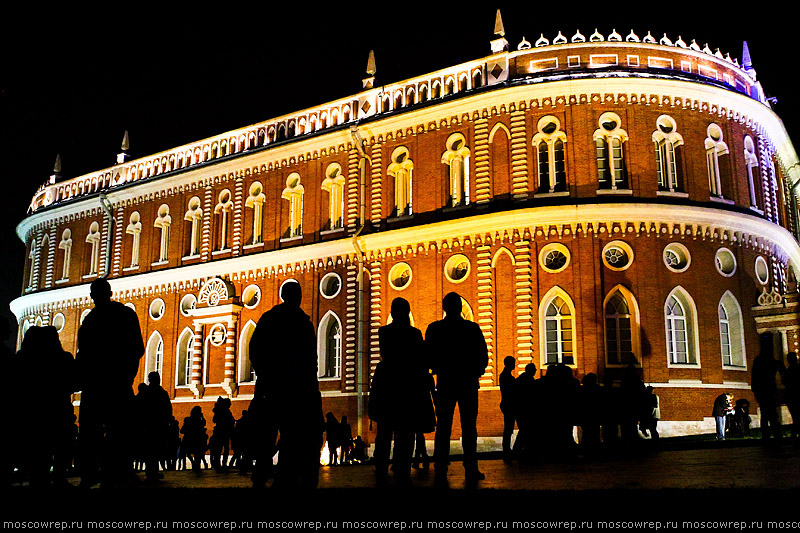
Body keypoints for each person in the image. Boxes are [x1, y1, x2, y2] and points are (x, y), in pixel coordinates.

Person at [248, 280, 323, 489]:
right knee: (289, 435)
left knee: (268, 435)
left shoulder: (269, 319)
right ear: (296, 297)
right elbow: (311, 361)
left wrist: (263, 374)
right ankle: (282, 477)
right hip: (294, 391)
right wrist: (311, 388)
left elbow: (254, 349)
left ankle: (262, 476)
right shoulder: (303, 323)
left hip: (271, 387)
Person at [75, 277, 145, 488]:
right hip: (115, 382)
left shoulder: (91, 320)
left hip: (98, 384)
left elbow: (83, 354)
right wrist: (127, 374)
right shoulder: (124, 315)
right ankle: (119, 471)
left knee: (91, 431)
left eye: (94, 293)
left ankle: (92, 474)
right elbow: (138, 348)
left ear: (96, 295)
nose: (93, 297)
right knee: (119, 429)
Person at [425, 292, 488, 487]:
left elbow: (428, 356)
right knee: (469, 427)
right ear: (460, 307)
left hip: (446, 382)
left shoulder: (435, 329)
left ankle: (441, 467)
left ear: (444, 307)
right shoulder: (472, 328)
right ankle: (471, 467)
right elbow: (483, 356)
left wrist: (437, 369)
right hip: (467, 382)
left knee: (443, 427)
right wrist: (475, 372)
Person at [373, 297, 433, 487]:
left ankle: (382, 470)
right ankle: (403, 470)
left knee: (385, 431)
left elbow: (387, 355)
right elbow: (421, 359)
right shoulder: (414, 334)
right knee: (405, 432)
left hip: (388, 384)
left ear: (392, 312)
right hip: (409, 386)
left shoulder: (384, 332)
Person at [20, 326, 76, 487]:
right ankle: (58, 479)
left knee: (38, 454)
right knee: (59, 449)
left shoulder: (23, 360)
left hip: (33, 416)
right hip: (59, 413)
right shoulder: (63, 359)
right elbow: (75, 382)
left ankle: (38, 479)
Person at [751, 333, 784, 441]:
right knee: (771, 415)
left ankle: (768, 435)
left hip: (764, 392)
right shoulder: (769, 361)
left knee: (766, 415)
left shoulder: (760, 361)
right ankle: (775, 435)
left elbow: (754, 379)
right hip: (767, 391)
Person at [141, 371, 172, 482]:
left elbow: (141, 409)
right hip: (157, 426)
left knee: (151, 449)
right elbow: (168, 409)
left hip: (149, 426)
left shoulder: (147, 392)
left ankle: (151, 471)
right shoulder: (161, 392)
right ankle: (152, 471)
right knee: (155, 449)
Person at [499, 356, 517, 463]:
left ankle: (507, 451)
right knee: (508, 429)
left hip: (506, 404)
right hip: (509, 404)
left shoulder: (505, 375)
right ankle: (506, 451)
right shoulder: (507, 376)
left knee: (508, 429)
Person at [782, 352, 800, 442]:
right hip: (794, 396)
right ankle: (794, 435)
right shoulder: (794, 370)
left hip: (791, 396)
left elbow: (784, 382)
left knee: (796, 417)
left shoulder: (788, 371)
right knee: (797, 417)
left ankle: (794, 435)